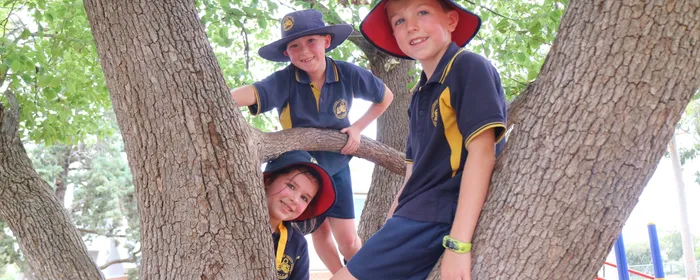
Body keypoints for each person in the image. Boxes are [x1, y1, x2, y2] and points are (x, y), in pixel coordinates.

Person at [331, 0, 507, 279]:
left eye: (422, 12)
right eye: (399, 21)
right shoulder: (419, 93)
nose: (411, 26)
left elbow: (483, 153)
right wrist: (394, 214)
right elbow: (413, 165)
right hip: (412, 216)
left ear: (451, 21)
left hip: (437, 213)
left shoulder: (468, 67)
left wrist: (458, 245)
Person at [230, 9, 394, 273]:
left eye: (311, 41)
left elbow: (385, 96)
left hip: (336, 164)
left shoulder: (347, 73)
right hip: (298, 167)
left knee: (349, 241)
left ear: (326, 41)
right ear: (286, 53)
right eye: (294, 46)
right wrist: (216, 97)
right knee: (319, 232)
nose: (304, 51)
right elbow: (253, 92)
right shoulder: (286, 79)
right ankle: (340, 277)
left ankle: (362, 274)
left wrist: (357, 128)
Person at [264, 150, 337, 280]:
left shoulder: (298, 244)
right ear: (268, 181)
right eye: (291, 186)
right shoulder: (232, 223)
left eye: (304, 198)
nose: (295, 200)